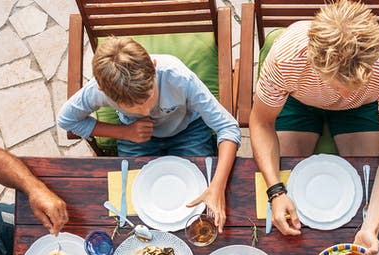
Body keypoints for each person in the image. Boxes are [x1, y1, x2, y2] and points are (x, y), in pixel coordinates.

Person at [250, 0, 379, 255]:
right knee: (288, 175)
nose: (344, 93)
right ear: (313, 58)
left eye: (352, 83)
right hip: (299, 100)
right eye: (337, 83)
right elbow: (260, 121)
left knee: (365, 179)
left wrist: (371, 226)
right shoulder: (286, 55)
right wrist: (275, 191)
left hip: (362, 105)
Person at [57, 37, 241, 231]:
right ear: (103, 91)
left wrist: (217, 186)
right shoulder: (98, 91)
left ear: (153, 67)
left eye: (148, 96)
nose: (145, 111)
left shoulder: (178, 77)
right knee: (138, 210)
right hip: (134, 137)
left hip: (188, 130)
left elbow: (228, 127)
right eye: (132, 106)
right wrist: (124, 132)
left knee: (200, 201)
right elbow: (67, 119)